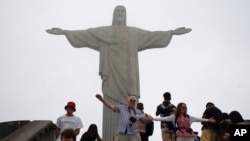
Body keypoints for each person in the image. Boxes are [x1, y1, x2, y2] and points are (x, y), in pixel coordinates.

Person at [47, 5, 191, 140]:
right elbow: (87, 34)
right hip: (111, 74)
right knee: (113, 108)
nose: (120, 14)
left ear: (126, 15)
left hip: (129, 76)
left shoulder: (133, 33)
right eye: (118, 11)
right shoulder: (104, 32)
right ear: (114, 15)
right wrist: (66, 32)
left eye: (123, 11)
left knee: (130, 107)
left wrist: (171, 33)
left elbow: (151, 36)